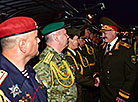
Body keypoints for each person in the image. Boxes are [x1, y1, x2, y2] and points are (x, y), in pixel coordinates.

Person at [0, 16, 48, 102]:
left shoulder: (29, 70)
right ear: (22, 45)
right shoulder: (3, 85)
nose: (39, 41)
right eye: (36, 37)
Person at [34, 22, 77, 102]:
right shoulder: (45, 65)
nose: (68, 37)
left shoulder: (60, 57)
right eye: (65, 34)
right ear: (56, 38)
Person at [98, 17, 137, 102]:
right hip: (104, 94)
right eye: (102, 33)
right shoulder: (101, 48)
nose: (102, 36)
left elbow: (132, 74)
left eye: (105, 33)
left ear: (114, 32)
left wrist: (123, 94)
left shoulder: (126, 49)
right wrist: (96, 76)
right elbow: (99, 67)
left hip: (118, 95)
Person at [63, 28, 100, 102]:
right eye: (76, 39)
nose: (78, 42)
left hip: (83, 88)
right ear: (70, 40)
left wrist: (95, 75)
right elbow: (76, 76)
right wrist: (93, 82)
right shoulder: (67, 57)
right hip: (77, 91)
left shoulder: (77, 53)